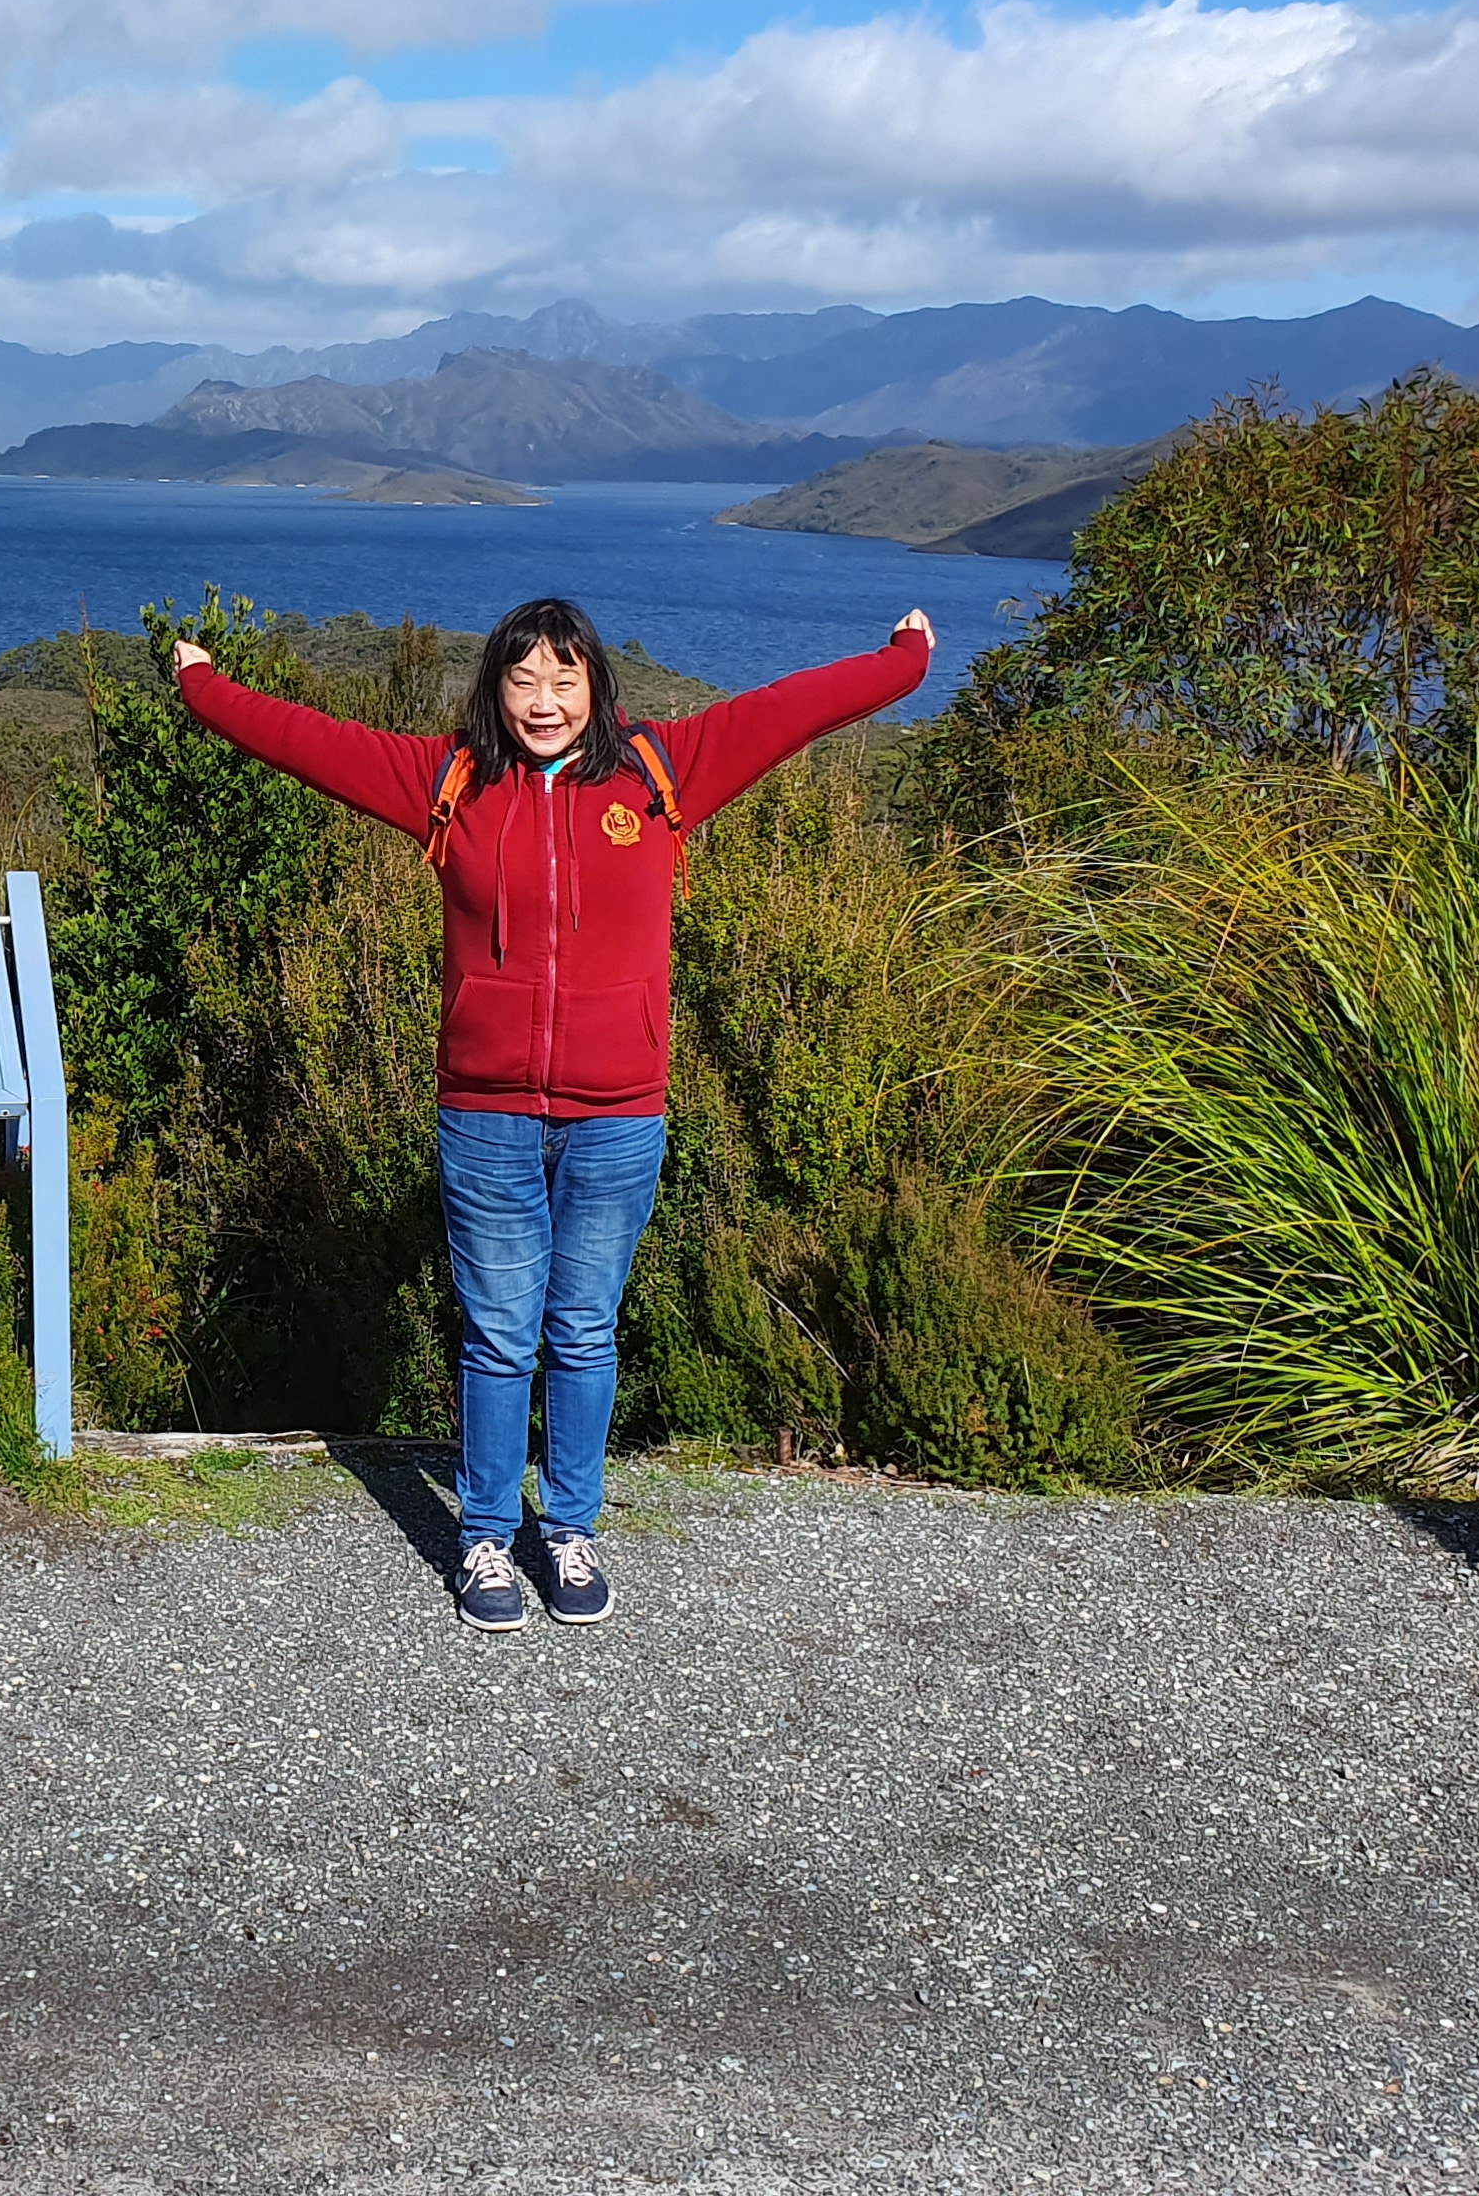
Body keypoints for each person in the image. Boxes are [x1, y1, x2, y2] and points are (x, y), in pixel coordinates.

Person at [169, 595, 932, 1631]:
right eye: (523, 680)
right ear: (495, 689)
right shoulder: (451, 781)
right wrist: (203, 687)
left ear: (595, 689)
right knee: (496, 1334)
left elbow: (792, 709)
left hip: (619, 1115)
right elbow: (312, 742)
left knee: (580, 1331)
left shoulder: (662, 772)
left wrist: (905, 661)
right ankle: (485, 1537)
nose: (543, 701)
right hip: (486, 1113)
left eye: (564, 681)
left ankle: (567, 1528)